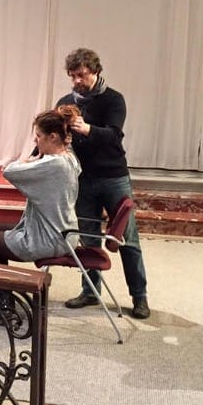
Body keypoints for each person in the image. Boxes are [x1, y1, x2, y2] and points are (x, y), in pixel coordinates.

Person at [58, 48, 150, 319]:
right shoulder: (65, 101)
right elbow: (54, 134)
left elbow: (113, 136)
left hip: (113, 177)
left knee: (127, 239)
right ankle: (89, 291)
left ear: (96, 72)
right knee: (88, 238)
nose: (76, 81)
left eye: (82, 75)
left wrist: (87, 129)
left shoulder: (113, 99)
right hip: (83, 179)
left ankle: (139, 297)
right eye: (72, 76)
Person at [0, 106, 82, 324]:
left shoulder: (53, 164)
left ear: (52, 137)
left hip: (50, 238)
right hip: (66, 232)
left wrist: (28, 162)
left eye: (39, 137)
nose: (36, 143)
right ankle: (1, 297)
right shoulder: (69, 158)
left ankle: (2, 308)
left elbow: (10, 171)